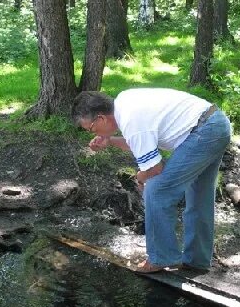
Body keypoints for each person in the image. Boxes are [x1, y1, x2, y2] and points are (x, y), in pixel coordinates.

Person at [71, 88, 231, 273]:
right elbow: (140, 140)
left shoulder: (131, 119)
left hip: (204, 132)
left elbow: (155, 169)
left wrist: (140, 177)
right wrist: (110, 141)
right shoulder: (125, 103)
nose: (93, 133)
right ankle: (196, 260)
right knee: (199, 196)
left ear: (101, 118)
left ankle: (161, 258)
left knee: (156, 190)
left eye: (90, 128)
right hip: (215, 124)